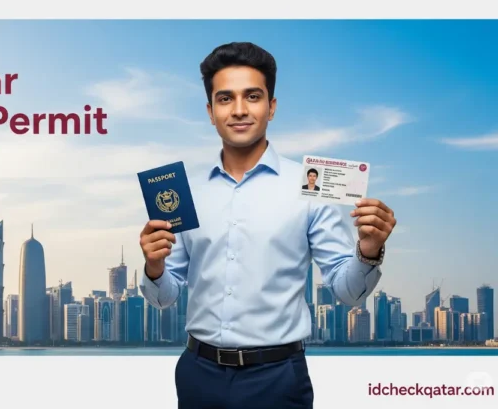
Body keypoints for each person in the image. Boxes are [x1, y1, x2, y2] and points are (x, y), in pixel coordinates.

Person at [138, 42, 397, 409]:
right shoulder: (183, 192)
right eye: (225, 99)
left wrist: (369, 251)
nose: (240, 110)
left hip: (278, 379)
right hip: (198, 374)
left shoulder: (311, 187)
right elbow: (164, 298)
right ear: (210, 112)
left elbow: (347, 293)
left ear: (271, 107)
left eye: (253, 96)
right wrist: (153, 267)